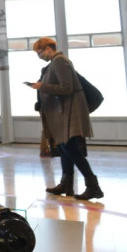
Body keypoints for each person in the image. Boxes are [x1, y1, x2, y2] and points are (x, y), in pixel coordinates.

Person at [30, 37, 103, 200]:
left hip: (70, 112)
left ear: (48, 48)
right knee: (64, 147)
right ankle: (66, 183)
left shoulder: (60, 61)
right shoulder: (55, 63)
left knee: (71, 148)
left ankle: (93, 187)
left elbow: (67, 87)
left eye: (40, 53)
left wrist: (43, 86)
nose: (39, 56)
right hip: (64, 113)